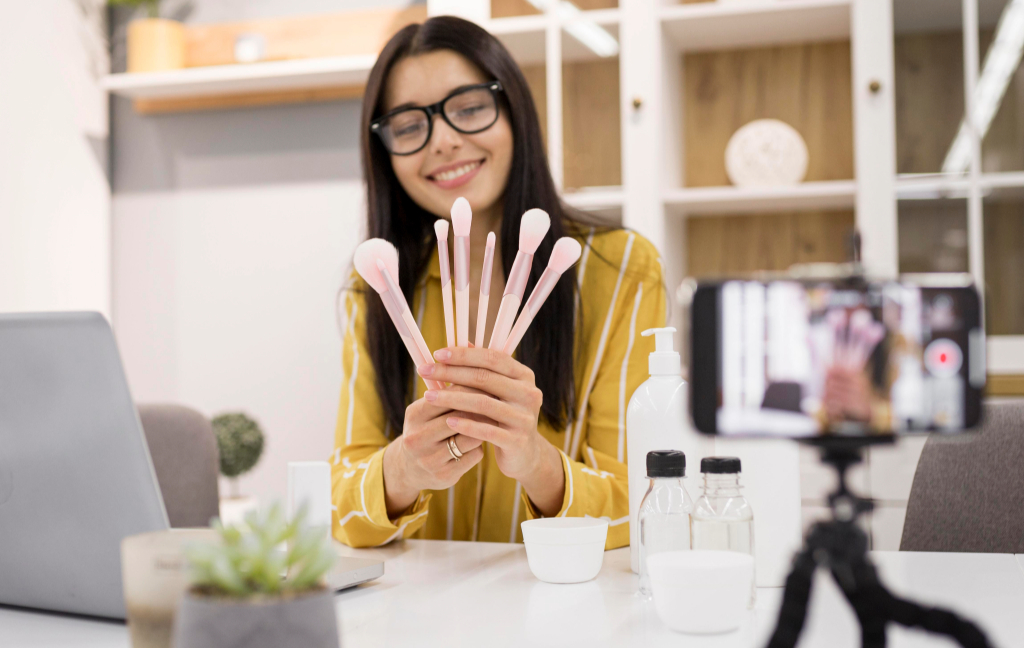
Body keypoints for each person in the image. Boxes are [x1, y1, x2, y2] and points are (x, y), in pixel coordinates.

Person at [331, 16, 666, 548]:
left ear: (514, 111)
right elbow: (340, 507)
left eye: (468, 107)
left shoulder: (622, 268)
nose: (442, 141)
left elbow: (647, 505)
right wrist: (402, 470)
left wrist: (536, 463)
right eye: (408, 125)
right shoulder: (379, 283)